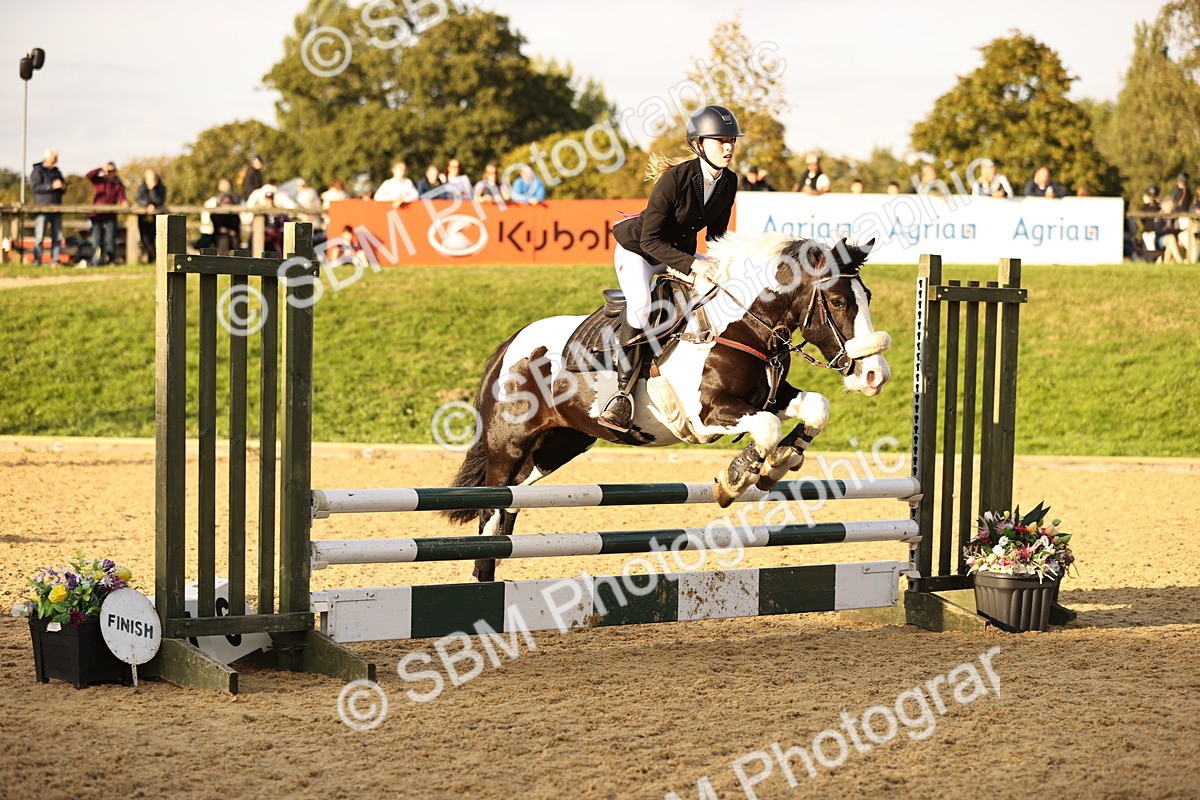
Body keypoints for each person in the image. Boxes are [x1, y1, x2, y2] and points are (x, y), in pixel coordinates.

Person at [600, 104, 742, 433]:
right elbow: (650, 240)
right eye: (719, 140)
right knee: (642, 307)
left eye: (731, 140)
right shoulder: (674, 180)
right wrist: (694, 264)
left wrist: (723, 263)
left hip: (677, 253)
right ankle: (621, 396)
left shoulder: (728, 182)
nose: (728, 146)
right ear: (698, 144)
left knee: (709, 298)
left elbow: (717, 236)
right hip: (638, 251)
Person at [86, 162, 128, 266]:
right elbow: (89, 175)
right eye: (108, 171)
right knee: (97, 238)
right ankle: (96, 260)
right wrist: (101, 168)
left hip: (110, 215)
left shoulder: (117, 184)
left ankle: (111, 260)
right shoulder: (99, 181)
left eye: (111, 171)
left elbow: (121, 197)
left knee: (111, 239)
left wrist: (124, 202)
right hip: (97, 214)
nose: (109, 173)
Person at [30, 148, 66, 265]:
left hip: (56, 208)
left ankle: (55, 260)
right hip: (42, 209)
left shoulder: (57, 172)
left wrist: (63, 187)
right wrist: (51, 186)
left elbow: (62, 187)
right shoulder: (38, 171)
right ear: (46, 159)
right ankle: (37, 260)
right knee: (39, 236)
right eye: (53, 160)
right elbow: (35, 188)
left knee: (57, 236)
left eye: (56, 160)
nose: (55, 162)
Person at [135, 169, 166, 262]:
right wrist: (147, 204)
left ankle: (153, 257)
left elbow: (159, 200)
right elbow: (139, 199)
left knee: (154, 237)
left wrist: (152, 189)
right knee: (145, 238)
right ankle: (150, 257)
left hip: (156, 217)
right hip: (143, 217)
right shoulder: (142, 188)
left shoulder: (161, 188)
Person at [1154, 197, 1185, 264]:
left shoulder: (1174, 216)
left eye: (1172, 206)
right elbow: (1157, 231)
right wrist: (1166, 230)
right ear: (1164, 206)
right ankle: (1180, 262)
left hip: (1171, 240)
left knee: (1170, 244)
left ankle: (1166, 264)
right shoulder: (1159, 216)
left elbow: (1177, 228)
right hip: (1160, 240)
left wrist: (1169, 229)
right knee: (1171, 238)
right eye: (1170, 206)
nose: (1172, 208)